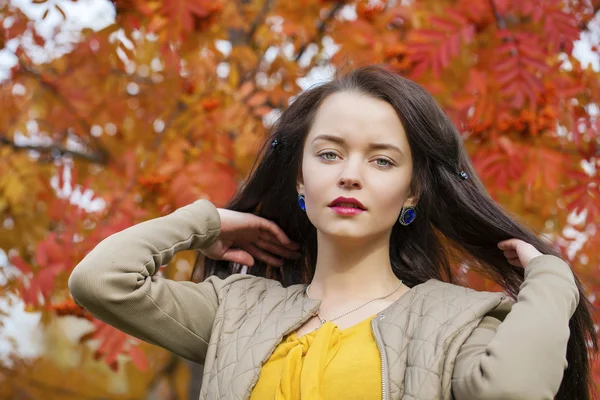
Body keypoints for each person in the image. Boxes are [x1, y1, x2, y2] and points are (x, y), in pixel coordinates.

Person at [68, 65, 596, 400]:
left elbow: (517, 389)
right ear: (301, 177)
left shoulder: (451, 321)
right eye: (329, 153)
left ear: (412, 193)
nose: (350, 173)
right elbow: (101, 281)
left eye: (382, 160)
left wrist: (552, 281)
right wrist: (207, 222)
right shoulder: (237, 311)